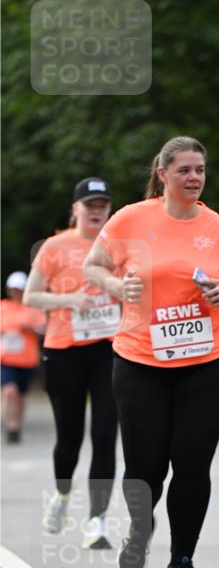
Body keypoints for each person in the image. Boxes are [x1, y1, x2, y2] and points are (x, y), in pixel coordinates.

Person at [84, 135, 219, 568]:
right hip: (140, 360)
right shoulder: (131, 219)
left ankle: (182, 560)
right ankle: (140, 531)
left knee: (191, 461)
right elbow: (94, 266)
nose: (194, 178)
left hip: (207, 361)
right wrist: (117, 288)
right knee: (144, 466)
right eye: (184, 170)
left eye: (200, 170)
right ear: (162, 174)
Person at [24, 179, 119, 549]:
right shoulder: (55, 246)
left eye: (103, 204)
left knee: (106, 436)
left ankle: (96, 521)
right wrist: (68, 301)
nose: (96, 211)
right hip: (64, 349)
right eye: (89, 204)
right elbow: (31, 296)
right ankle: (62, 496)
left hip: (109, 348)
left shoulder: (119, 245)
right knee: (69, 437)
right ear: (75, 208)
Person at [0, 271, 45, 443]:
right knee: (9, 390)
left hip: (27, 359)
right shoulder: (3, 306)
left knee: (20, 395)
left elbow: (44, 330)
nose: (16, 292)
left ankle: (17, 423)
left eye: (19, 289)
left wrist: (30, 328)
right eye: (13, 289)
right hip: (6, 359)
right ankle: (11, 426)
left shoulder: (32, 308)